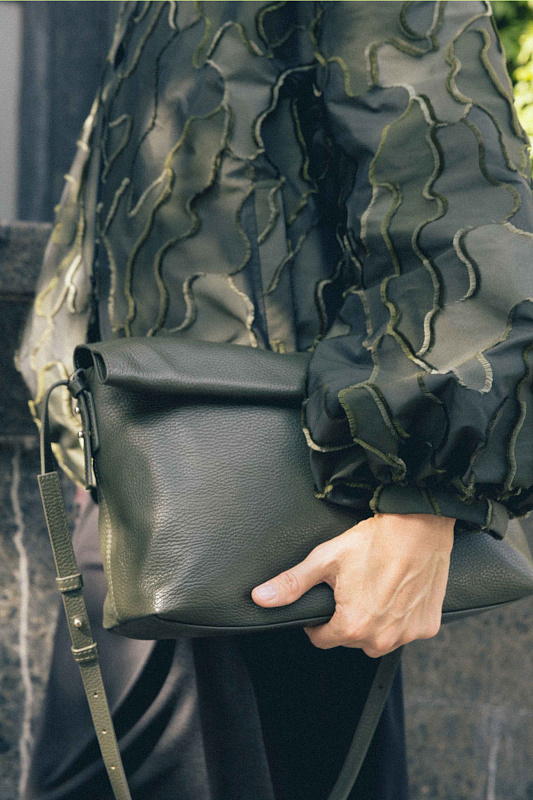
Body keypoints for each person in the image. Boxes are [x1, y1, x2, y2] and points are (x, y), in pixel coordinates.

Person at [15, 2, 533, 798]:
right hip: (135, 482)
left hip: (285, 500)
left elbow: (451, 179)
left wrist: (422, 501)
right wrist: (70, 405)